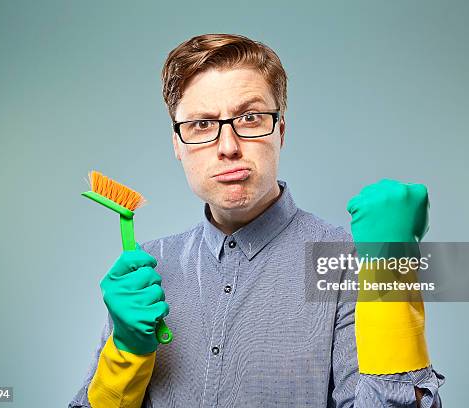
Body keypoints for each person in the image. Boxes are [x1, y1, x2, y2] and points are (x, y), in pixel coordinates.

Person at [69, 33, 445, 408]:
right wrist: (125, 351)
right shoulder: (147, 270)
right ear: (177, 144)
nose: (228, 147)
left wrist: (392, 270)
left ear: (281, 130)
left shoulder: (347, 261)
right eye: (201, 124)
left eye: (250, 118)